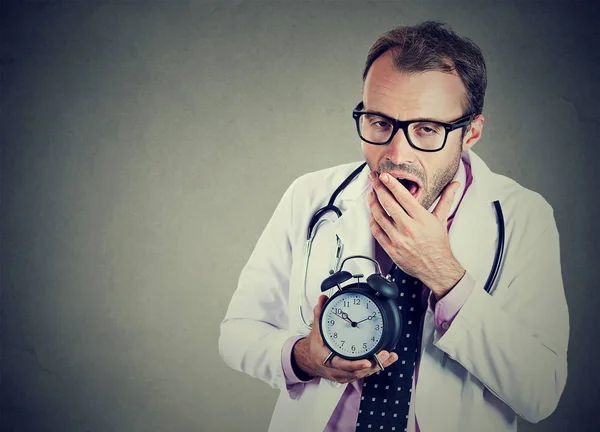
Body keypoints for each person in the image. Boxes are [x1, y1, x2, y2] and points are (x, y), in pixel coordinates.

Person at [219, 20, 569, 432]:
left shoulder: (523, 217)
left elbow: (541, 391)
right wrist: (303, 357)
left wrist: (443, 273)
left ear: (470, 132)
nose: (396, 152)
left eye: (426, 129)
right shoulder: (310, 196)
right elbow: (237, 334)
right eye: (380, 123)